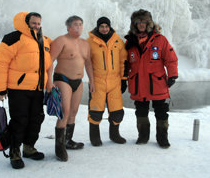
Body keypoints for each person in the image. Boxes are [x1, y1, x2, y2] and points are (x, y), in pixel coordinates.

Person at [0, 12, 52, 169]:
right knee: (20, 121)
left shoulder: (44, 40)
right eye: (33, 23)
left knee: (36, 119)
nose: (37, 26)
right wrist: (1, 89)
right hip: (18, 89)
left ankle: (29, 148)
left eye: (39, 23)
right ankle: (15, 152)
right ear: (26, 23)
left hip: (37, 89)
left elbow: (50, 62)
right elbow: (1, 63)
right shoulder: (13, 38)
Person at [124, 9, 178, 148]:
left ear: (149, 23)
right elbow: (124, 63)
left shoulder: (160, 39)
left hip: (157, 82)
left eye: (143, 22)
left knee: (161, 111)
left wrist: (172, 75)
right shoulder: (130, 42)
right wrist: (122, 78)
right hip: (138, 83)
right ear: (134, 24)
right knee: (141, 111)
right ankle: (143, 136)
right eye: (138, 22)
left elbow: (171, 59)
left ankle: (162, 138)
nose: (141, 25)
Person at [47, 15, 95, 161]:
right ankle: (59, 148)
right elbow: (50, 61)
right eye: (75, 24)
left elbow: (88, 64)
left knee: (73, 112)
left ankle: (68, 141)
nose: (78, 27)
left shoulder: (85, 44)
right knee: (65, 111)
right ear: (68, 27)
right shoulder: (61, 40)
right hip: (63, 79)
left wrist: (91, 81)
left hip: (78, 81)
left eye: (80, 24)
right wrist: (49, 82)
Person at [87, 17, 128, 146]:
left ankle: (114, 135)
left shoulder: (117, 41)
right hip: (97, 81)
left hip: (115, 82)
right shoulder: (90, 42)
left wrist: (123, 80)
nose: (104, 29)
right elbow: (86, 62)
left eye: (106, 26)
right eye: (102, 26)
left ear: (109, 27)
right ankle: (94, 137)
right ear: (97, 27)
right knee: (96, 111)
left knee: (117, 111)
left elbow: (123, 62)